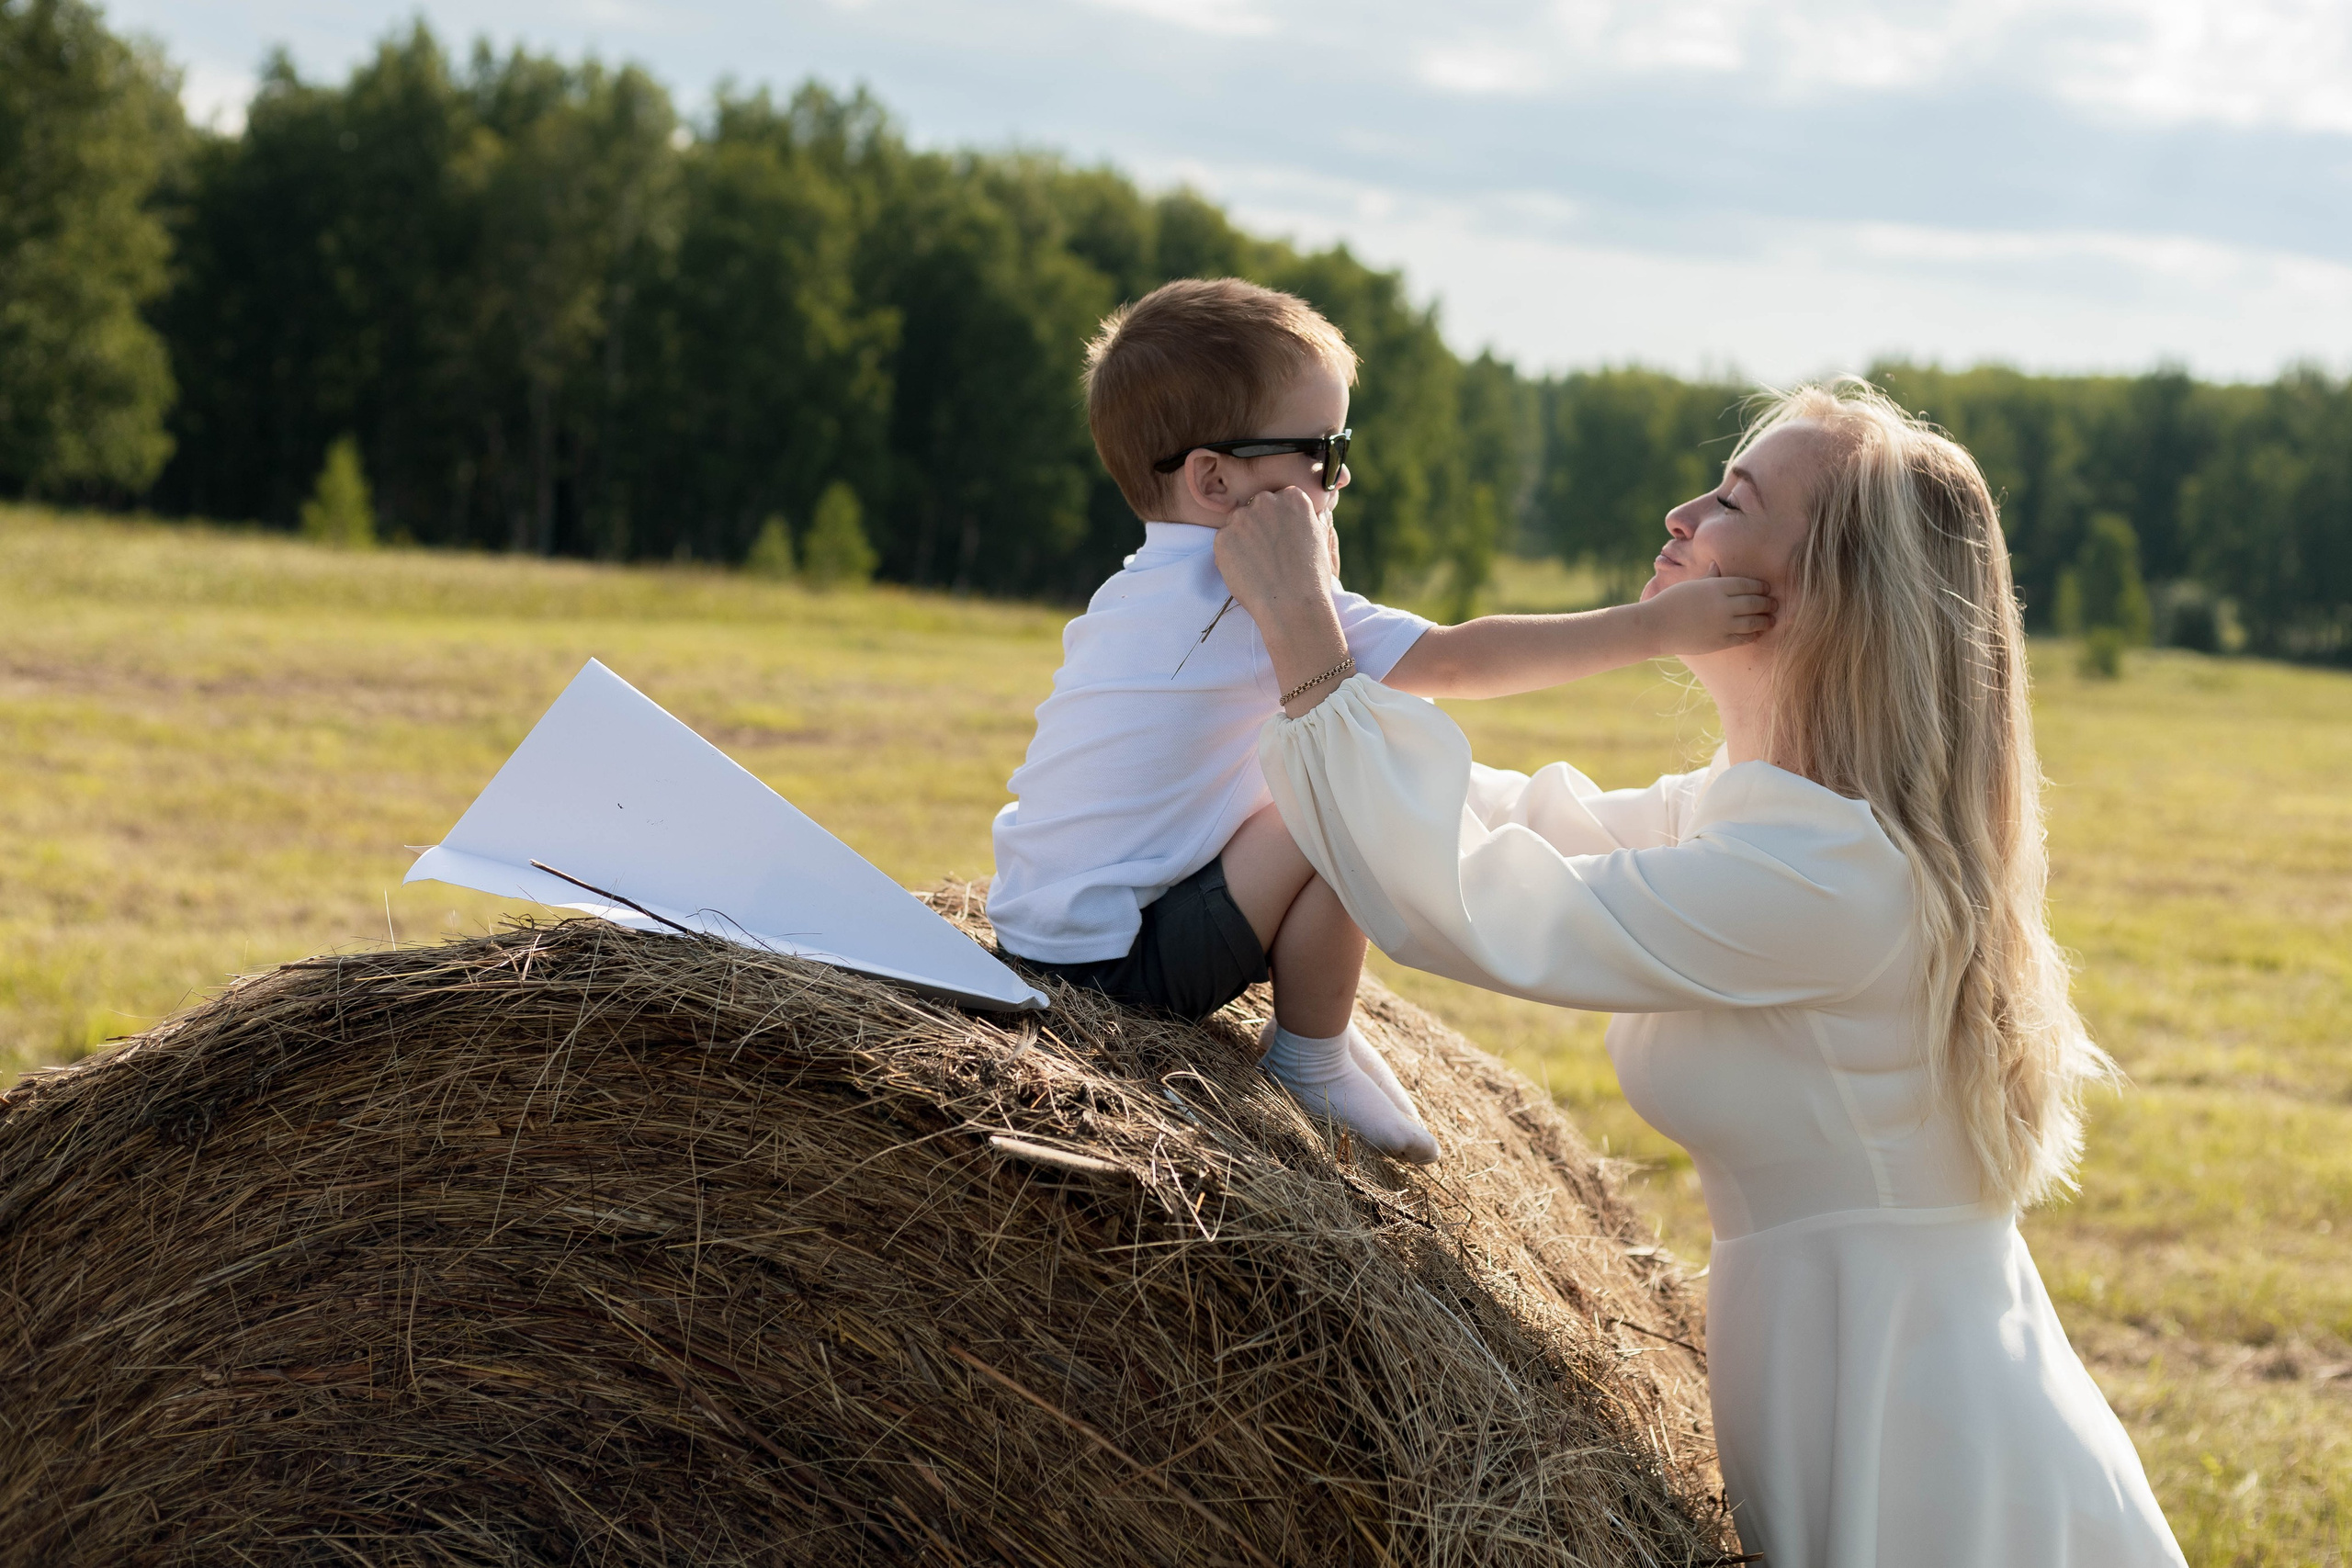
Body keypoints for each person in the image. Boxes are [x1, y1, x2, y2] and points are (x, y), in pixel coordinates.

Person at [1216, 378, 2187, 1566]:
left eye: (1732, 498)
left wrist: (1303, 634)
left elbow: (1478, 905)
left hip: (1931, 1441)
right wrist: (1264, 732)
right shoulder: (1770, 816)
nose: (1680, 514)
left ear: (1828, 592)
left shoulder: (1833, 876)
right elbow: (1521, 821)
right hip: (1864, 1374)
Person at [987, 277, 1772, 1165]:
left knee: (1318, 755)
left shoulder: (1134, 589)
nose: (1343, 474)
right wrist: (1655, 627)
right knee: (1351, 792)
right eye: (1322, 452)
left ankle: (1315, 1003)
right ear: (1214, 479)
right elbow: (1462, 660)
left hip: (1036, 943)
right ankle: (1309, 1055)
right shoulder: (1245, 597)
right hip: (1121, 977)